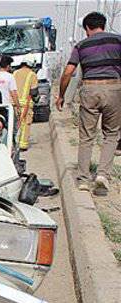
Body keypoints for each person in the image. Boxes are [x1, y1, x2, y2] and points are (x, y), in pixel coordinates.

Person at [56, 11, 121, 196]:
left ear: (86, 28)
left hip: (90, 89)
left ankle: (83, 180)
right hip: (114, 88)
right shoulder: (117, 40)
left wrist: (61, 96)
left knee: (86, 136)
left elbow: (68, 72)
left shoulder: (81, 45)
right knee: (111, 135)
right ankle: (102, 175)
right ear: (104, 24)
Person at [14, 56, 39, 151]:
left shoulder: (15, 73)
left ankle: (13, 143)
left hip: (14, 103)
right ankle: (22, 145)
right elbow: (34, 92)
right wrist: (37, 99)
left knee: (15, 123)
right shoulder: (32, 75)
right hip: (26, 104)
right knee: (25, 124)